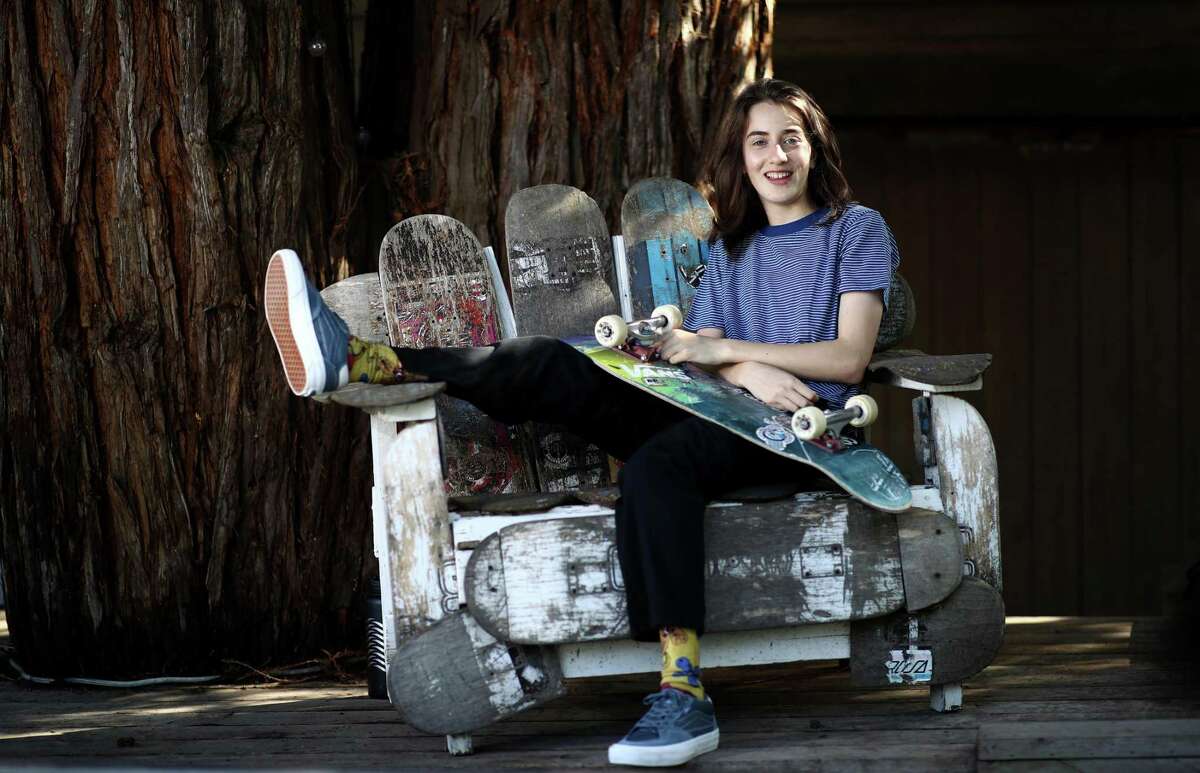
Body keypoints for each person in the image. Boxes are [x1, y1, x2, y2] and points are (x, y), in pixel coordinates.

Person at [264, 78, 899, 767]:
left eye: (790, 139)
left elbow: (849, 354)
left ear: (814, 148)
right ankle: (361, 356)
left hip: (807, 439)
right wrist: (739, 368)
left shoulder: (854, 230)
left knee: (659, 466)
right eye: (759, 141)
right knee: (549, 362)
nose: (776, 155)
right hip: (718, 408)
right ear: (740, 158)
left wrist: (730, 354)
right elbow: (699, 353)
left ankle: (683, 692)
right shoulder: (731, 247)